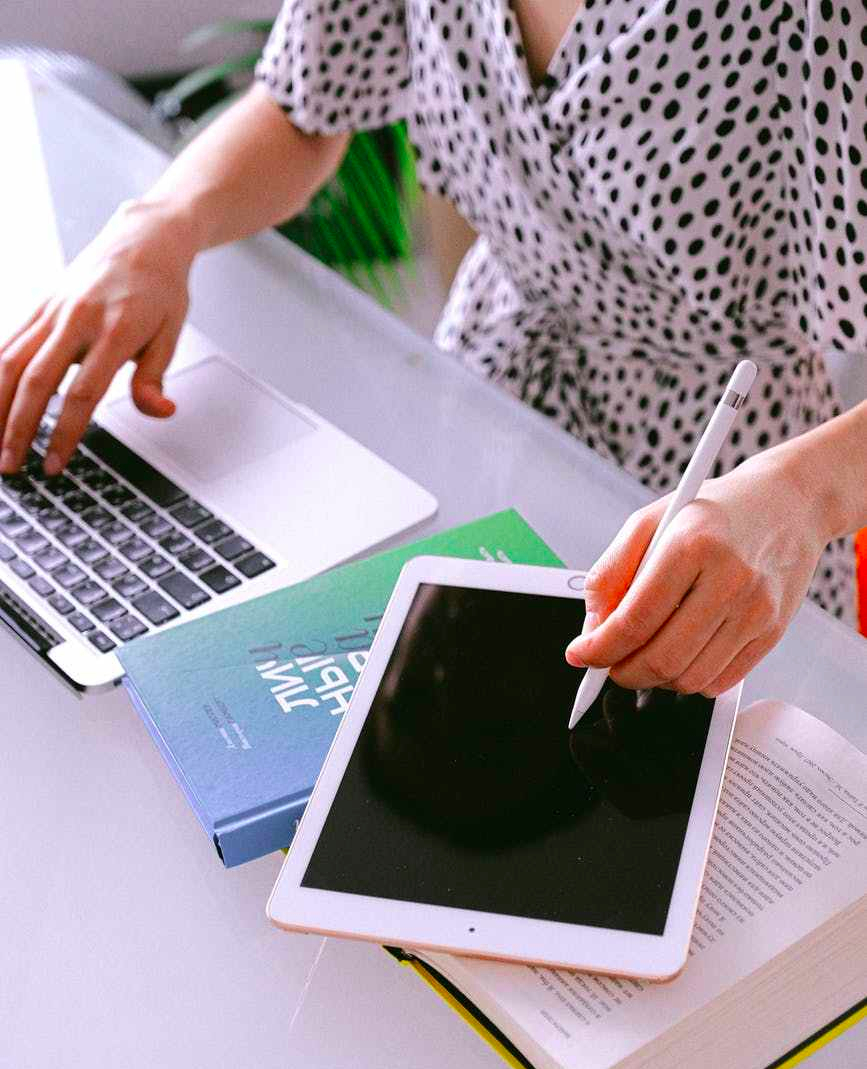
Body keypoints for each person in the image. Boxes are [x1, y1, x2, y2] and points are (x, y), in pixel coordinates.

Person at [2, 1, 865, 698]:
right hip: (477, 407)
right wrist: (159, 226)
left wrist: (802, 494)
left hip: (735, 505)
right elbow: (306, 107)